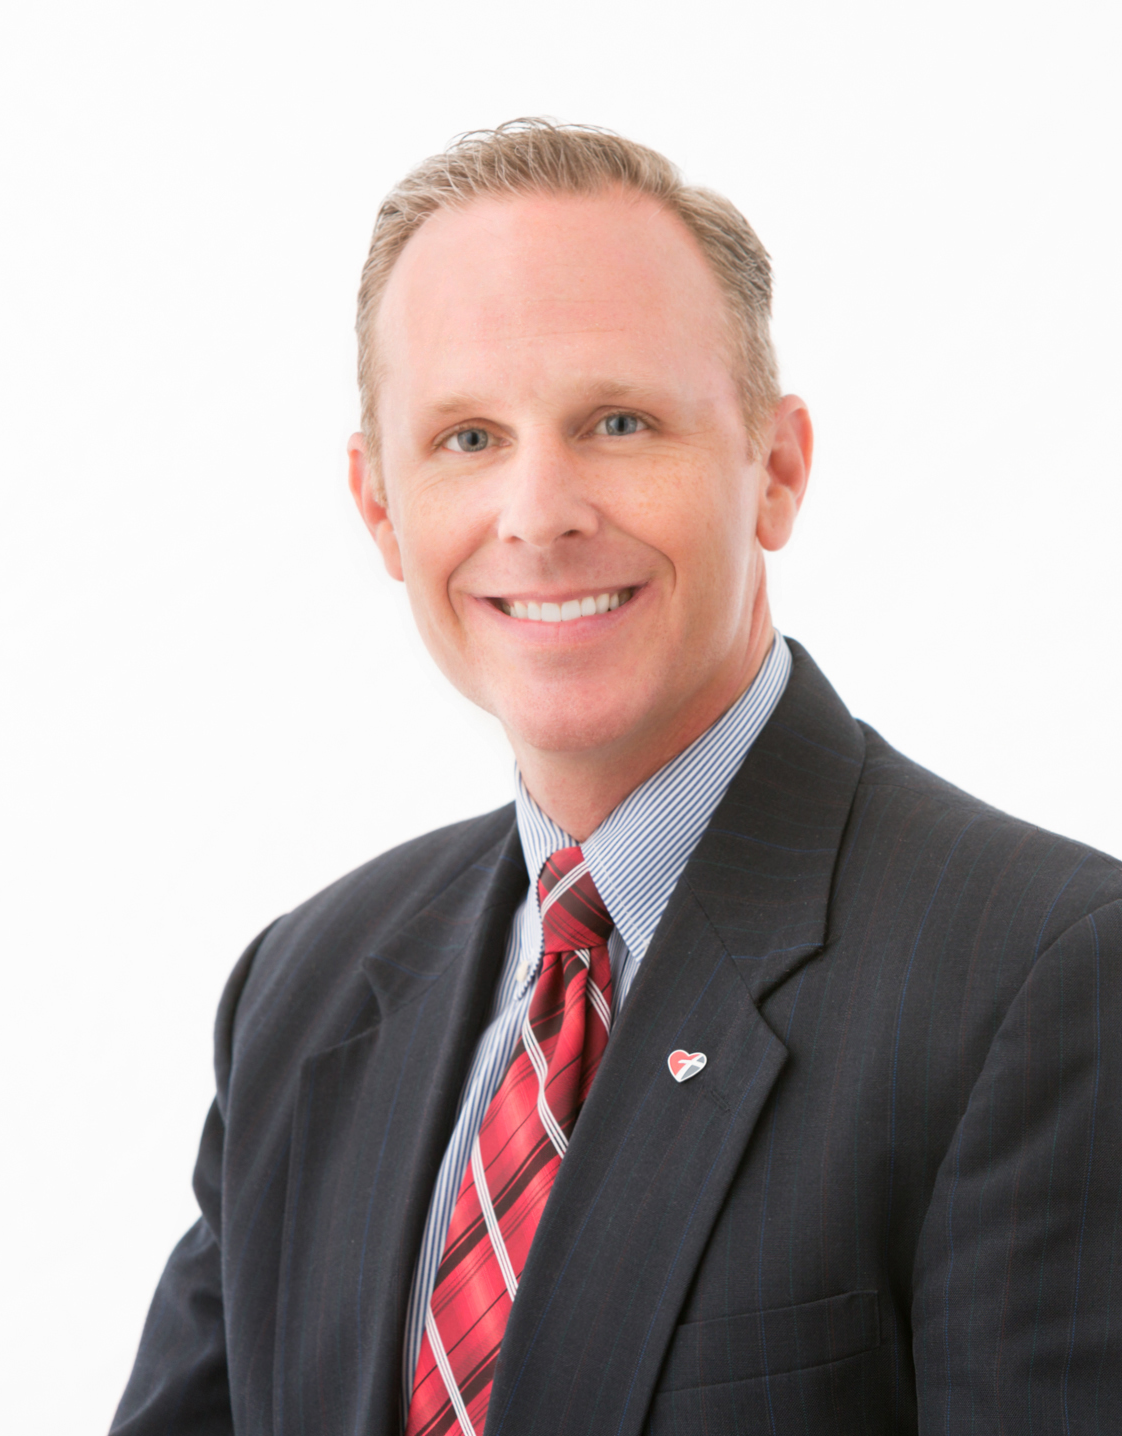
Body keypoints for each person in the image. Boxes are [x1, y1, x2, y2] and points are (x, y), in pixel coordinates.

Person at [112, 120, 1122, 1436]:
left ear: (776, 469)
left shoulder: (1045, 979)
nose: (540, 513)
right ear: (380, 507)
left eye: (620, 421)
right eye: (467, 438)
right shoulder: (303, 990)